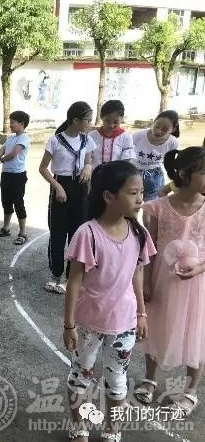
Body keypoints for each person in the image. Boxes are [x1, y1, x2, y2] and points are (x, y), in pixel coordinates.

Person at [64, 160, 155, 442]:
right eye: (133, 193)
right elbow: (74, 281)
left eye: (141, 192)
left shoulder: (138, 234)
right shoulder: (88, 233)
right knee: (81, 375)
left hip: (124, 323)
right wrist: (69, 325)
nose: (140, 199)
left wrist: (142, 314)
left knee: (117, 381)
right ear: (108, 196)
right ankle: (79, 426)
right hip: (89, 323)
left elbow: (137, 273)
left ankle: (112, 430)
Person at [134, 147, 205, 419]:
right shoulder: (158, 207)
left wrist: (199, 268)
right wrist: (146, 282)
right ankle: (150, 379)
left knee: (196, 332)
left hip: (197, 285)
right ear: (184, 173)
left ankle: (190, 391)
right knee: (156, 327)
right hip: (161, 281)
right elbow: (149, 249)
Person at [39, 101, 96, 294]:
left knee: (76, 234)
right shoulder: (55, 141)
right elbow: (43, 168)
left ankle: (70, 276)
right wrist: (58, 187)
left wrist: (88, 167)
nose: (90, 123)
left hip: (80, 188)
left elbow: (89, 160)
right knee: (57, 233)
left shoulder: (87, 140)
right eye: (87, 119)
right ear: (76, 120)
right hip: (60, 186)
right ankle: (55, 274)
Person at [132, 110, 180, 226]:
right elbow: (126, 153)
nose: (158, 131)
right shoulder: (138, 135)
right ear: (153, 122)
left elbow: (170, 162)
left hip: (155, 176)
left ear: (173, 129)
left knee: (150, 208)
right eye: (157, 126)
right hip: (134, 173)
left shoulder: (173, 142)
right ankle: (133, 228)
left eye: (165, 130)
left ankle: (149, 233)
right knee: (132, 204)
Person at [0, 110, 31, 245]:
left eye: (13, 122)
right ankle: (6, 229)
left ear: (21, 123)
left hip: (18, 175)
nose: (10, 125)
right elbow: (3, 149)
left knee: (18, 203)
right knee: (6, 201)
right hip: (6, 174)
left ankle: (23, 233)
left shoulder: (24, 137)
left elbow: (13, 153)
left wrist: (2, 159)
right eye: (10, 122)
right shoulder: (11, 137)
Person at [88, 100, 135, 168]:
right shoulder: (92, 136)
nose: (111, 125)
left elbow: (126, 162)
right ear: (101, 117)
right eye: (107, 121)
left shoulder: (126, 137)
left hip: (117, 173)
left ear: (122, 118)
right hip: (95, 173)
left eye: (116, 122)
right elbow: (87, 159)